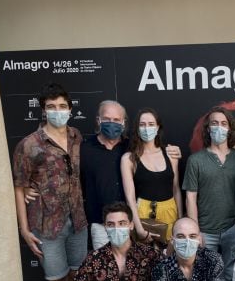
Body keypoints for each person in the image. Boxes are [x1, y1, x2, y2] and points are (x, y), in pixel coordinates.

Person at [25, 101, 183, 250]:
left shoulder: (131, 148)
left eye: (116, 119)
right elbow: (63, 174)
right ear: (98, 120)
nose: (111, 123)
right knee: (105, 269)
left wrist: (173, 151)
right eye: (107, 119)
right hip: (101, 222)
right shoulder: (83, 149)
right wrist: (30, 186)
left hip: (130, 222)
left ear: (123, 123)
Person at [12, 82, 88, 281]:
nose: (58, 111)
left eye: (62, 106)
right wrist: (24, 229)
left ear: (70, 109)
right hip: (47, 225)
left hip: (78, 220)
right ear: (43, 110)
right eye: (51, 107)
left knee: (77, 280)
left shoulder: (76, 136)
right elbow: (19, 188)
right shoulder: (29, 145)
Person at [182, 106, 235, 281]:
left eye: (223, 123)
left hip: (233, 229)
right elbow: (190, 198)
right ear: (207, 128)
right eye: (214, 123)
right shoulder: (195, 160)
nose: (219, 127)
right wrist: (196, 231)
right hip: (205, 230)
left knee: (233, 275)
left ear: (230, 128)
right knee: (204, 276)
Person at [121, 108, 182, 243]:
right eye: (142, 125)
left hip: (169, 211)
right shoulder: (129, 158)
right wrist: (139, 229)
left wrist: (180, 221)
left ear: (158, 127)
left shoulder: (171, 154)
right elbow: (130, 198)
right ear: (137, 128)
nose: (146, 128)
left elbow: (176, 189)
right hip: (142, 214)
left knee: (169, 257)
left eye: (151, 124)